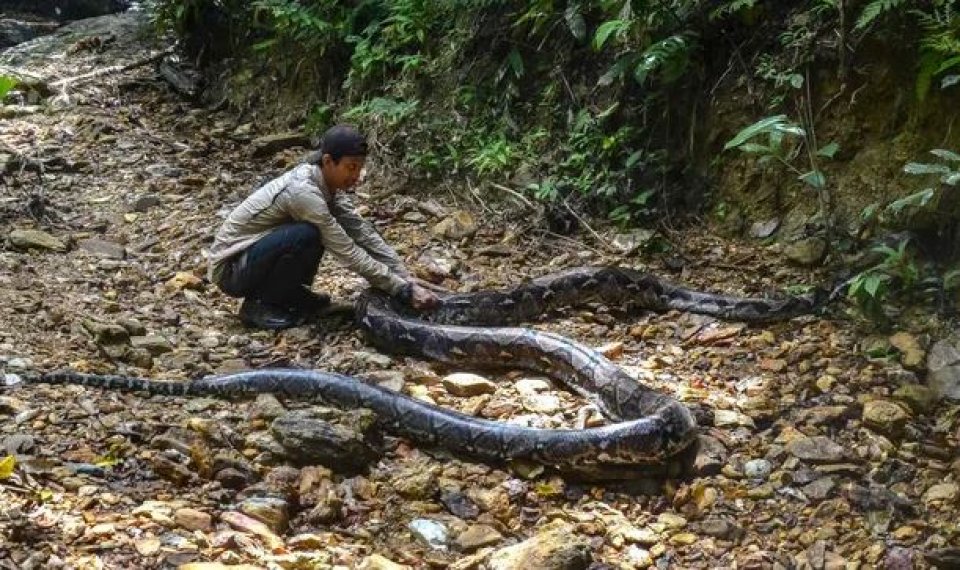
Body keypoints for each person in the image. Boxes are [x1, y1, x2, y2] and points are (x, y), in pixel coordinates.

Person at [207, 124, 439, 329]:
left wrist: (402, 275)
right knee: (307, 234)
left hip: (253, 258)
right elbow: (346, 249)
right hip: (231, 269)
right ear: (328, 161)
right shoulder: (303, 193)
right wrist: (400, 290)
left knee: (311, 234)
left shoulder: (327, 186)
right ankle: (259, 306)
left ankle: (290, 295)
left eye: (359, 167)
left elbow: (362, 231)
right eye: (351, 167)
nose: (357, 176)